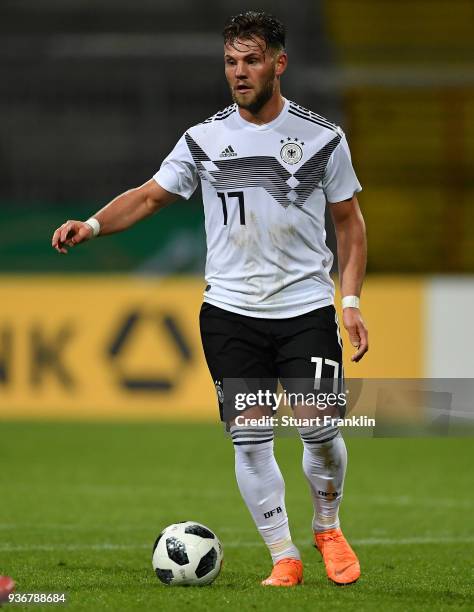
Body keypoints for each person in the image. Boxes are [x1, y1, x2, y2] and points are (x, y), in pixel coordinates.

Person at [51, 11, 368, 588]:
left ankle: (328, 526)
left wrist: (349, 303)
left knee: (319, 429)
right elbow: (149, 197)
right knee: (250, 438)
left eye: (251, 60)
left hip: (304, 308)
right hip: (230, 312)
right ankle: (284, 556)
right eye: (231, 62)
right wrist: (93, 225)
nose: (240, 72)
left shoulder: (324, 138)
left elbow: (349, 224)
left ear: (279, 62)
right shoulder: (204, 138)